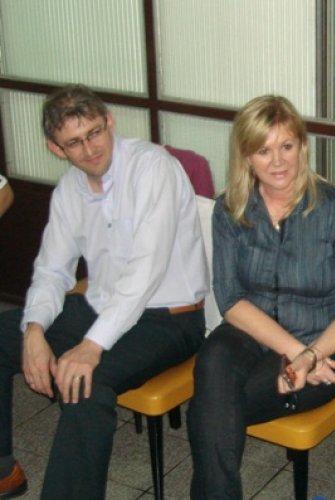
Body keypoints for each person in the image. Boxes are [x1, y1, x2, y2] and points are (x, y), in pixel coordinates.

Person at [0, 84, 208, 499]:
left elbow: (146, 272)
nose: (90, 148)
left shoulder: (154, 168)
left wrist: (91, 346)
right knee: (6, 334)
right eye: (74, 142)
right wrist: (35, 329)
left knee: (84, 383)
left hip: (168, 319)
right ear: (57, 148)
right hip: (100, 306)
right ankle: (4, 470)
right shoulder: (68, 190)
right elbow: (52, 270)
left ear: (109, 122)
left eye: (94, 132)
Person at [187, 95, 335, 499]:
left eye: (286, 146)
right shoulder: (230, 209)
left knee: (212, 411)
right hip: (251, 334)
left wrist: (311, 354)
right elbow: (231, 298)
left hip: (322, 345)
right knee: (214, 361)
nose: (278, 161)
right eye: (263, 150)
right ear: (246, 156)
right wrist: (297, 354)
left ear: (302, 147)